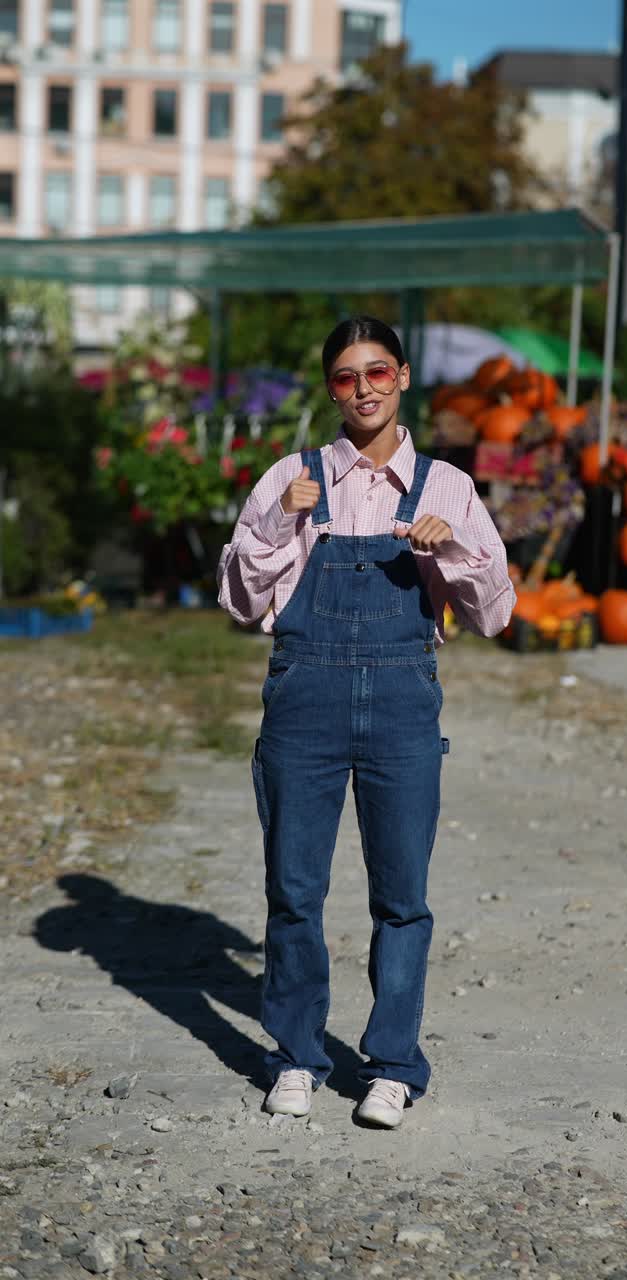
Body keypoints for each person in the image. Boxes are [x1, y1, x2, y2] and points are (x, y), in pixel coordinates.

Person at [217, 315, 515, 1128]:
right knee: (294, 891)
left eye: (378, 372)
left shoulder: (447, 487)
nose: (364, 390)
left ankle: (391, 1066)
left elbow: (496, 615)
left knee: (403, 896)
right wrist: (278, 521)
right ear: (331, 390)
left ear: (403, 376)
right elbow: (238, 600)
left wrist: (453, 550)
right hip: (303, 702)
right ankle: (295, 1057)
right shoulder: (291, 477)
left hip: (402, 706)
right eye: (347, 377)